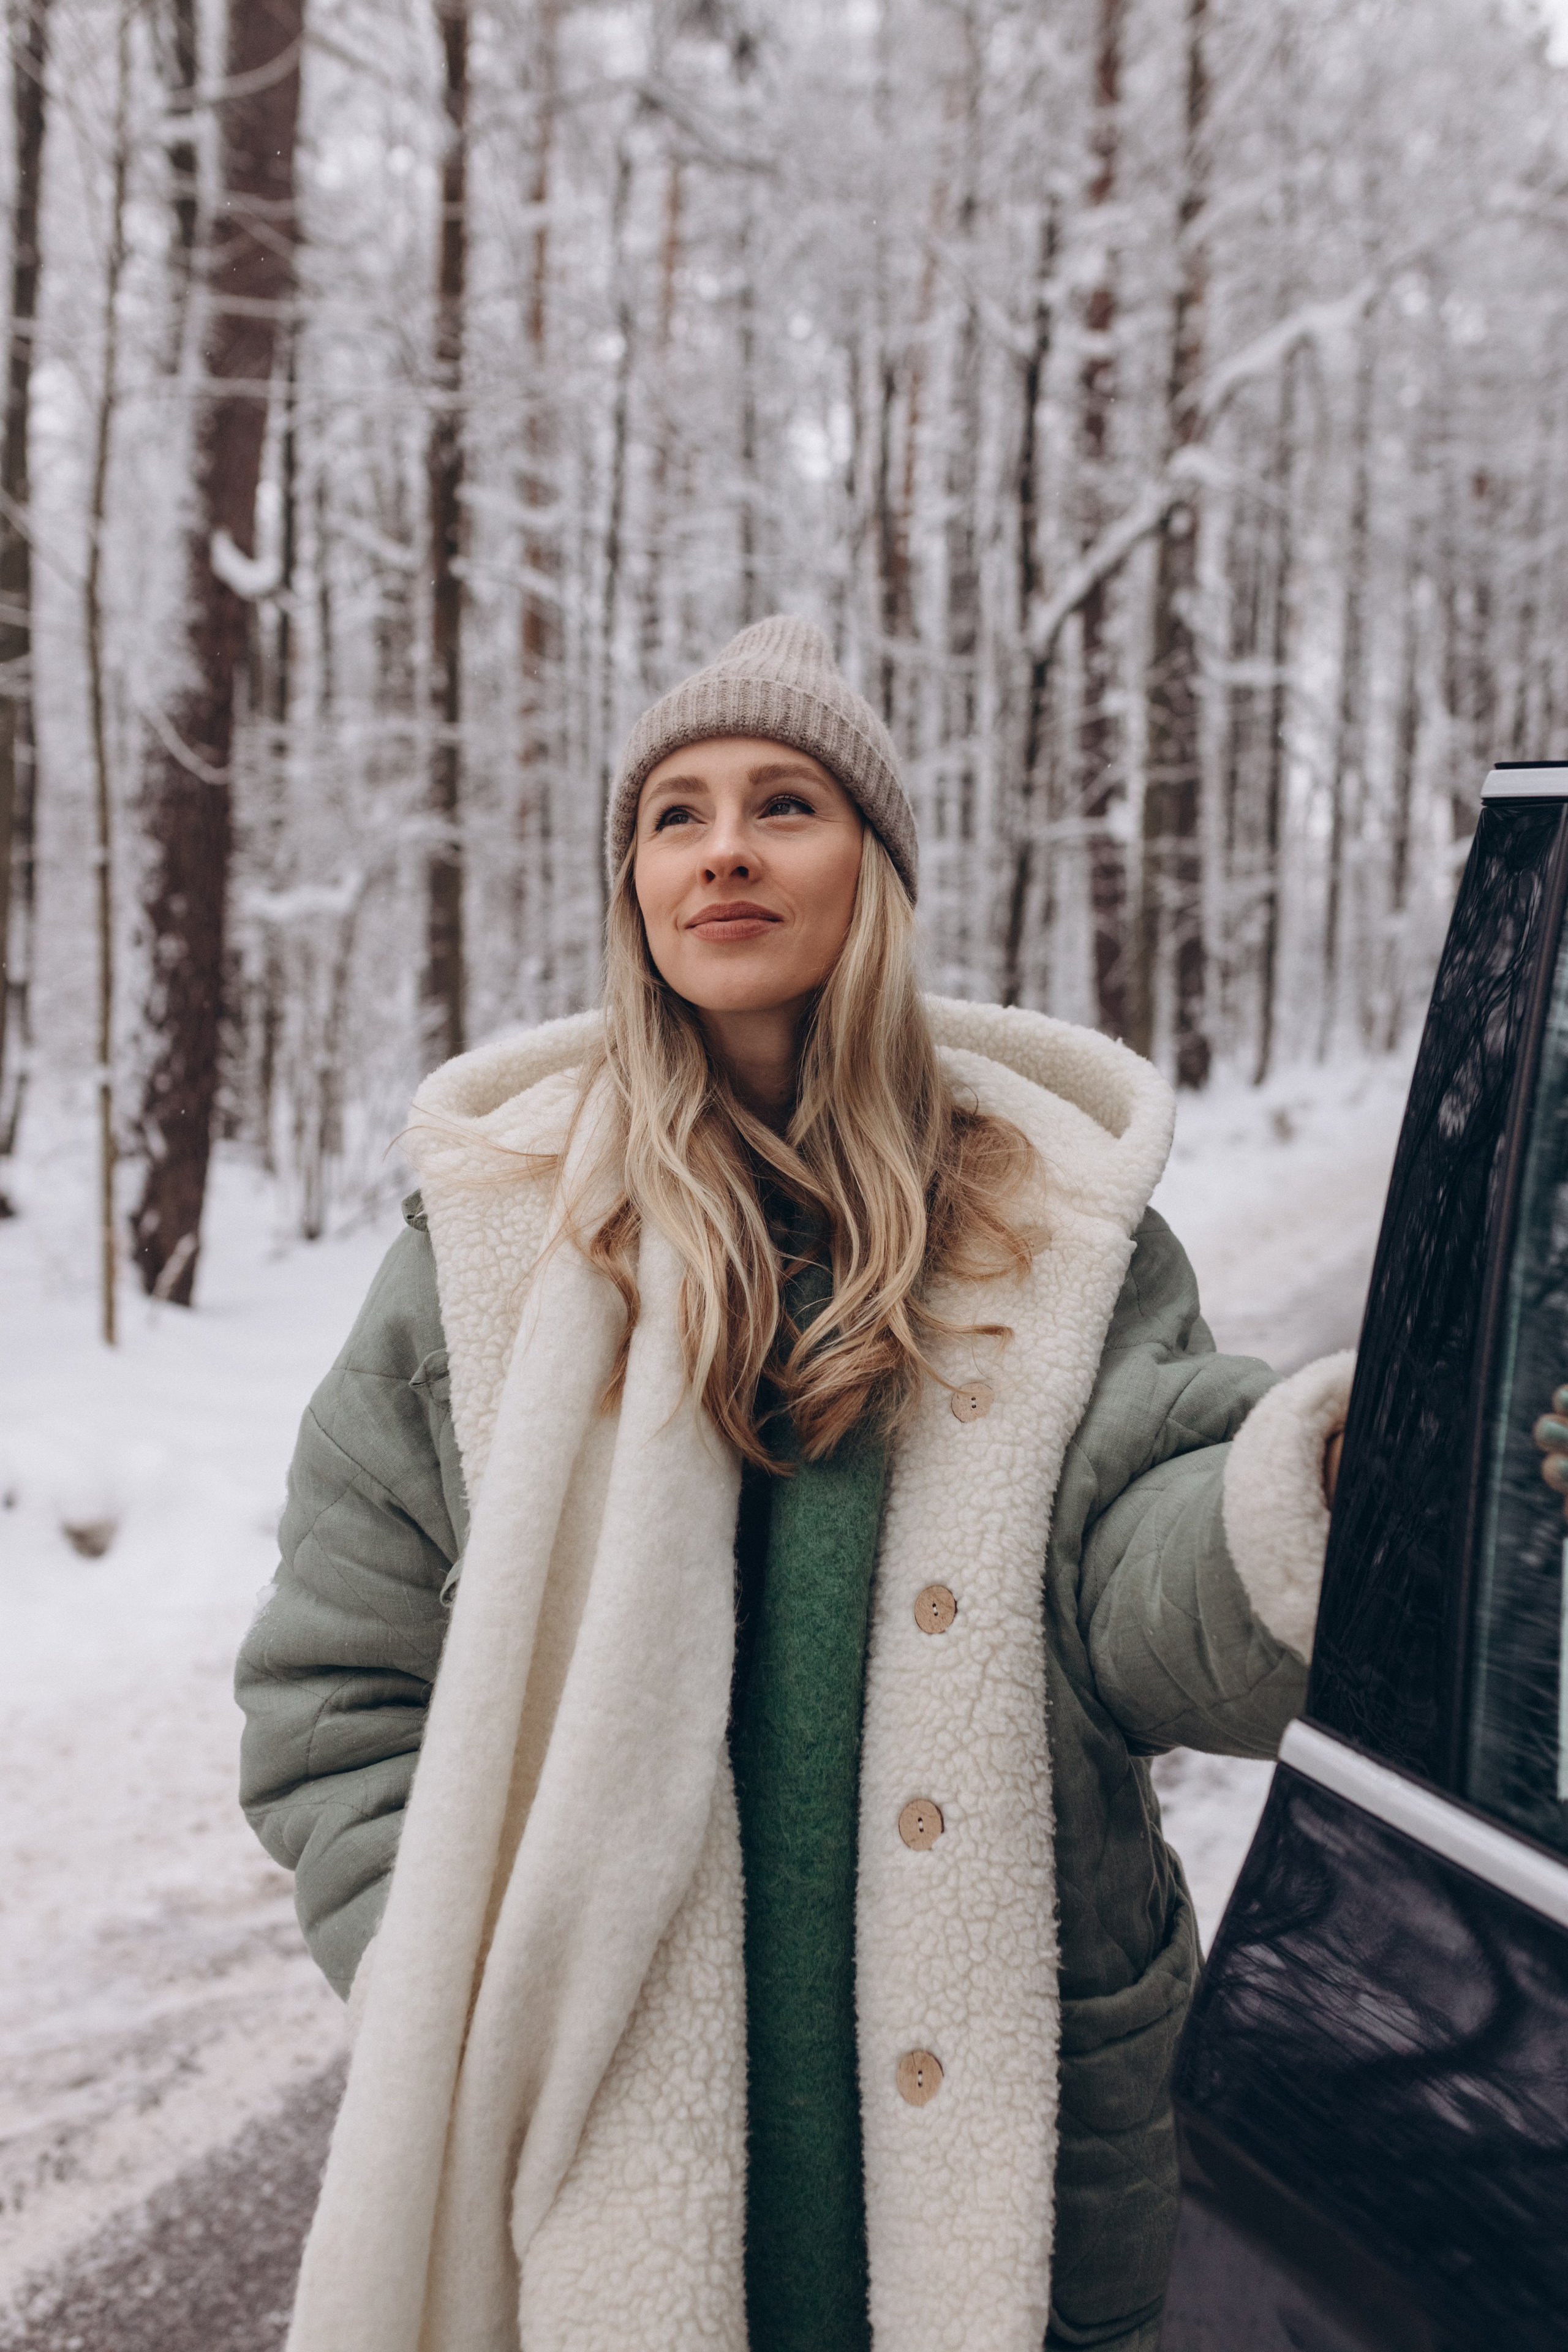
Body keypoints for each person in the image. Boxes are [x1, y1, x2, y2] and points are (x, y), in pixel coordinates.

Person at [237, 616, 1352, 2352]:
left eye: (785, 803)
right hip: (614, 2116)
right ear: (634, 887)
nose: (726, 850)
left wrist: (1318, 1488)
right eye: (674, 816)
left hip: (1005, 2102)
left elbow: (1148, 1570)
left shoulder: (1050, 1232)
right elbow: (335, 1692)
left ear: (875, 872)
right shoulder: (497, 1260)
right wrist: (459, 1986)